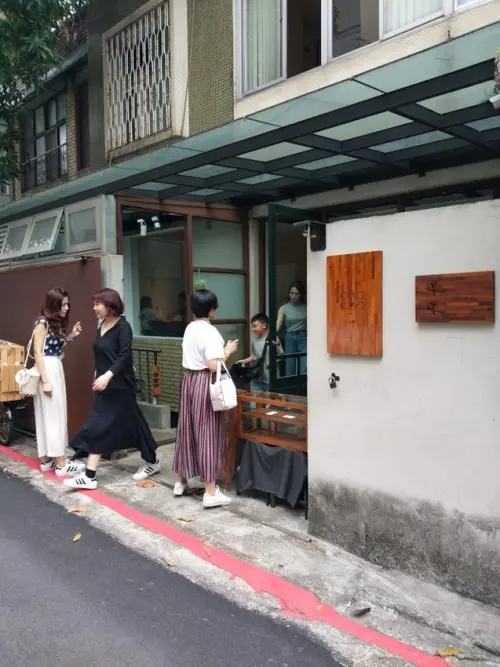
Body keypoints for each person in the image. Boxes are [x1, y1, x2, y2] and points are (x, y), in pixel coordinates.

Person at [63, 288, 160, 490]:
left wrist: (107, 375)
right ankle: (152, 460)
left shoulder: (123, 327)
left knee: (98, 425)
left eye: (97, 304)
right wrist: (97, 374)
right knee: (134, 424)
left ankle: (88, 474)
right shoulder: (102, 324)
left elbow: (123, 357)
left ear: (110, 305)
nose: (94, 308)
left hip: (120, 386)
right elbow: (101, 354)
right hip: (104, 385)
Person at [173, 289, 239, 508]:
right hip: (204, 382)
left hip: (189, 381)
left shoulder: (189, 328)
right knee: (208, 433)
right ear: (211, 310)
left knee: (187, 430)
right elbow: (213, 365)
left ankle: (180, 481)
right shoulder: (210, 332)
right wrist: (227, 351)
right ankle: (210, 492)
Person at [33, 287, 82, 475]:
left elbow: (55, 347)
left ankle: (47, 460)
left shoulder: (55, 324)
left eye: (67, 304)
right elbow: (38, 352)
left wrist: (71, 336)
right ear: (54, 305)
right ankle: (61, 463)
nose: (67, 308)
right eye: (63, 304)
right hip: (47, 369)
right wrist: (46, 380)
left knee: (52, 413)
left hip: (54, 366)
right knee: (53, 415)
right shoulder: (41, 323)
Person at [237, 313, 282, 392]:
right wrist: (244, 361)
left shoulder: (273, 339)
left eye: (255, 326)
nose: (253, 329)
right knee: (255, 399)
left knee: (271, 399)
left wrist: (271, 364)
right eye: (252, 326)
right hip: (256, 377)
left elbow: (280, 355)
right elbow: (254, 356)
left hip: (270, 378)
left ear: (264, 326)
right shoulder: (254, 340)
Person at [277, 281, 307, 376]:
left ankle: (302, 385)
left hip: (303, 337)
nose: (293, 296)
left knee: (304, 367)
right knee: (290, 366)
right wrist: (270, 334)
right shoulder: (284, 308)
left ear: (301, 295)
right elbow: (278, 324)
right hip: (290, 337)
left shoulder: (306, 307)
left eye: (296, 294)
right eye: (291, 293)